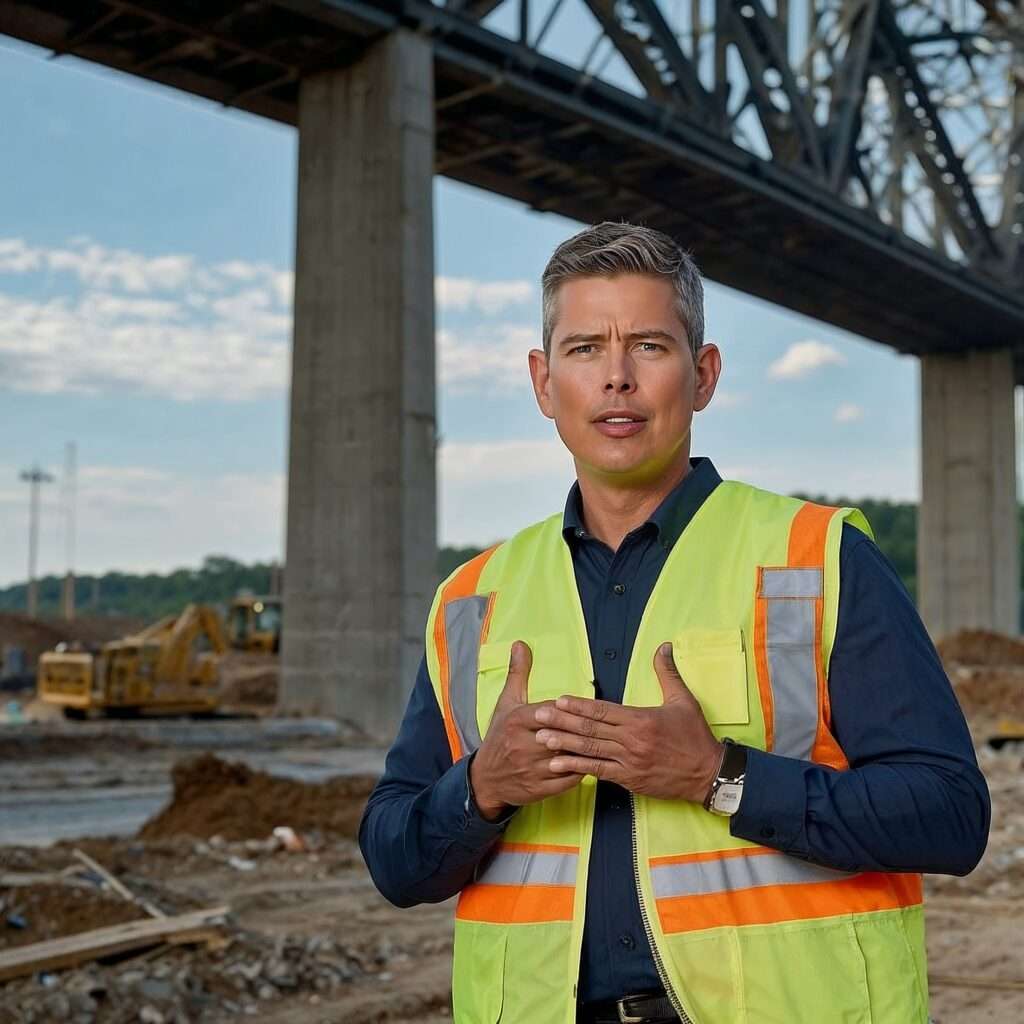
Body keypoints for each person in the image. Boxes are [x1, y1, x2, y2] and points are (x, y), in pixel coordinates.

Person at [359, 222, 990, 1024]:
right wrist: (483, 788)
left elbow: (950, 816)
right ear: (543, 382)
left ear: (704, 375)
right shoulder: (471, 599)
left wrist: (718, 777)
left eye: (649, 346)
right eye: (585, 349)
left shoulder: (817, 560)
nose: (615, 379)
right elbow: (393, 856)